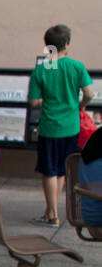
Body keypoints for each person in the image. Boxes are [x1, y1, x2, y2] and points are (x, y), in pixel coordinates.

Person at [28, 25, 95, 226]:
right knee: (61, 170)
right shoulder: (77, 67)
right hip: (71, 127)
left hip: (49, 128)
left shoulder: (41, 70)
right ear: (67, 43)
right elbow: (90, 93)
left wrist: (46, 102)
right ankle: (52, 211)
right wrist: (80, 106)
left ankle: (52, 213)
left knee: (49, 170)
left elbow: (33, 102)